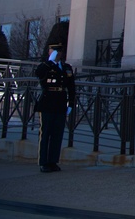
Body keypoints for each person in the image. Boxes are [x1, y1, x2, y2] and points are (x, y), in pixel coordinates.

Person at [35, 43, 75, 172]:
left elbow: (71, 87)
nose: (57, 53)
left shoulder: (66, 67)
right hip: (47, 103)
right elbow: (39, 74)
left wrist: (71, 103)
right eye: (54, 51)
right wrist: (50, 62)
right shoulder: (46, 66)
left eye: (59, 51)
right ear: (50, 52)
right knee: (45, 133)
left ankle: (53, 161)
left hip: (60, 103)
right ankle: (44, 162)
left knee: (57, 133)